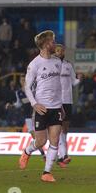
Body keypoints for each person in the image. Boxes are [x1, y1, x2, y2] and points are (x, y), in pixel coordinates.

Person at [18, 30, 63, 183]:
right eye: (52, 41)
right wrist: (34, 103)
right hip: (42, 108)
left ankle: (46, 173)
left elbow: (57, 86)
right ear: (44, 44)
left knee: (55, 140)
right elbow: (27, 87)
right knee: (41, 142)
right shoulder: (34, 64)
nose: (54, 44)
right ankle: (26, 151)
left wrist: (61, 104)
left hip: (56, 107)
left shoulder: (58, 62)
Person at [54, 44, 82, 168]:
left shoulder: (68, 65)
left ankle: (61, 156)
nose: (59, 52)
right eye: (57, 50)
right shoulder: (51, 65)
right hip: (56, 101)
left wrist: (79, 79)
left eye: (61, 50)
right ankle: (64, 155)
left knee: (65, 129)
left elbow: (73, 82)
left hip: (68, 101)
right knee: (58, 129)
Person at [8, 76, 45, 160]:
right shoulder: (18, 92)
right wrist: (12, 106)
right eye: (21, 80)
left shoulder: (33, 90)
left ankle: (54, 152)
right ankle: (43, 154)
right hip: (27, 117)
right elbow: (19, 104)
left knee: (41, 135)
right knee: (34, 136)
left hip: (36, 114)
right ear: (20, 81)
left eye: (24, 79)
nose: (23, 81)